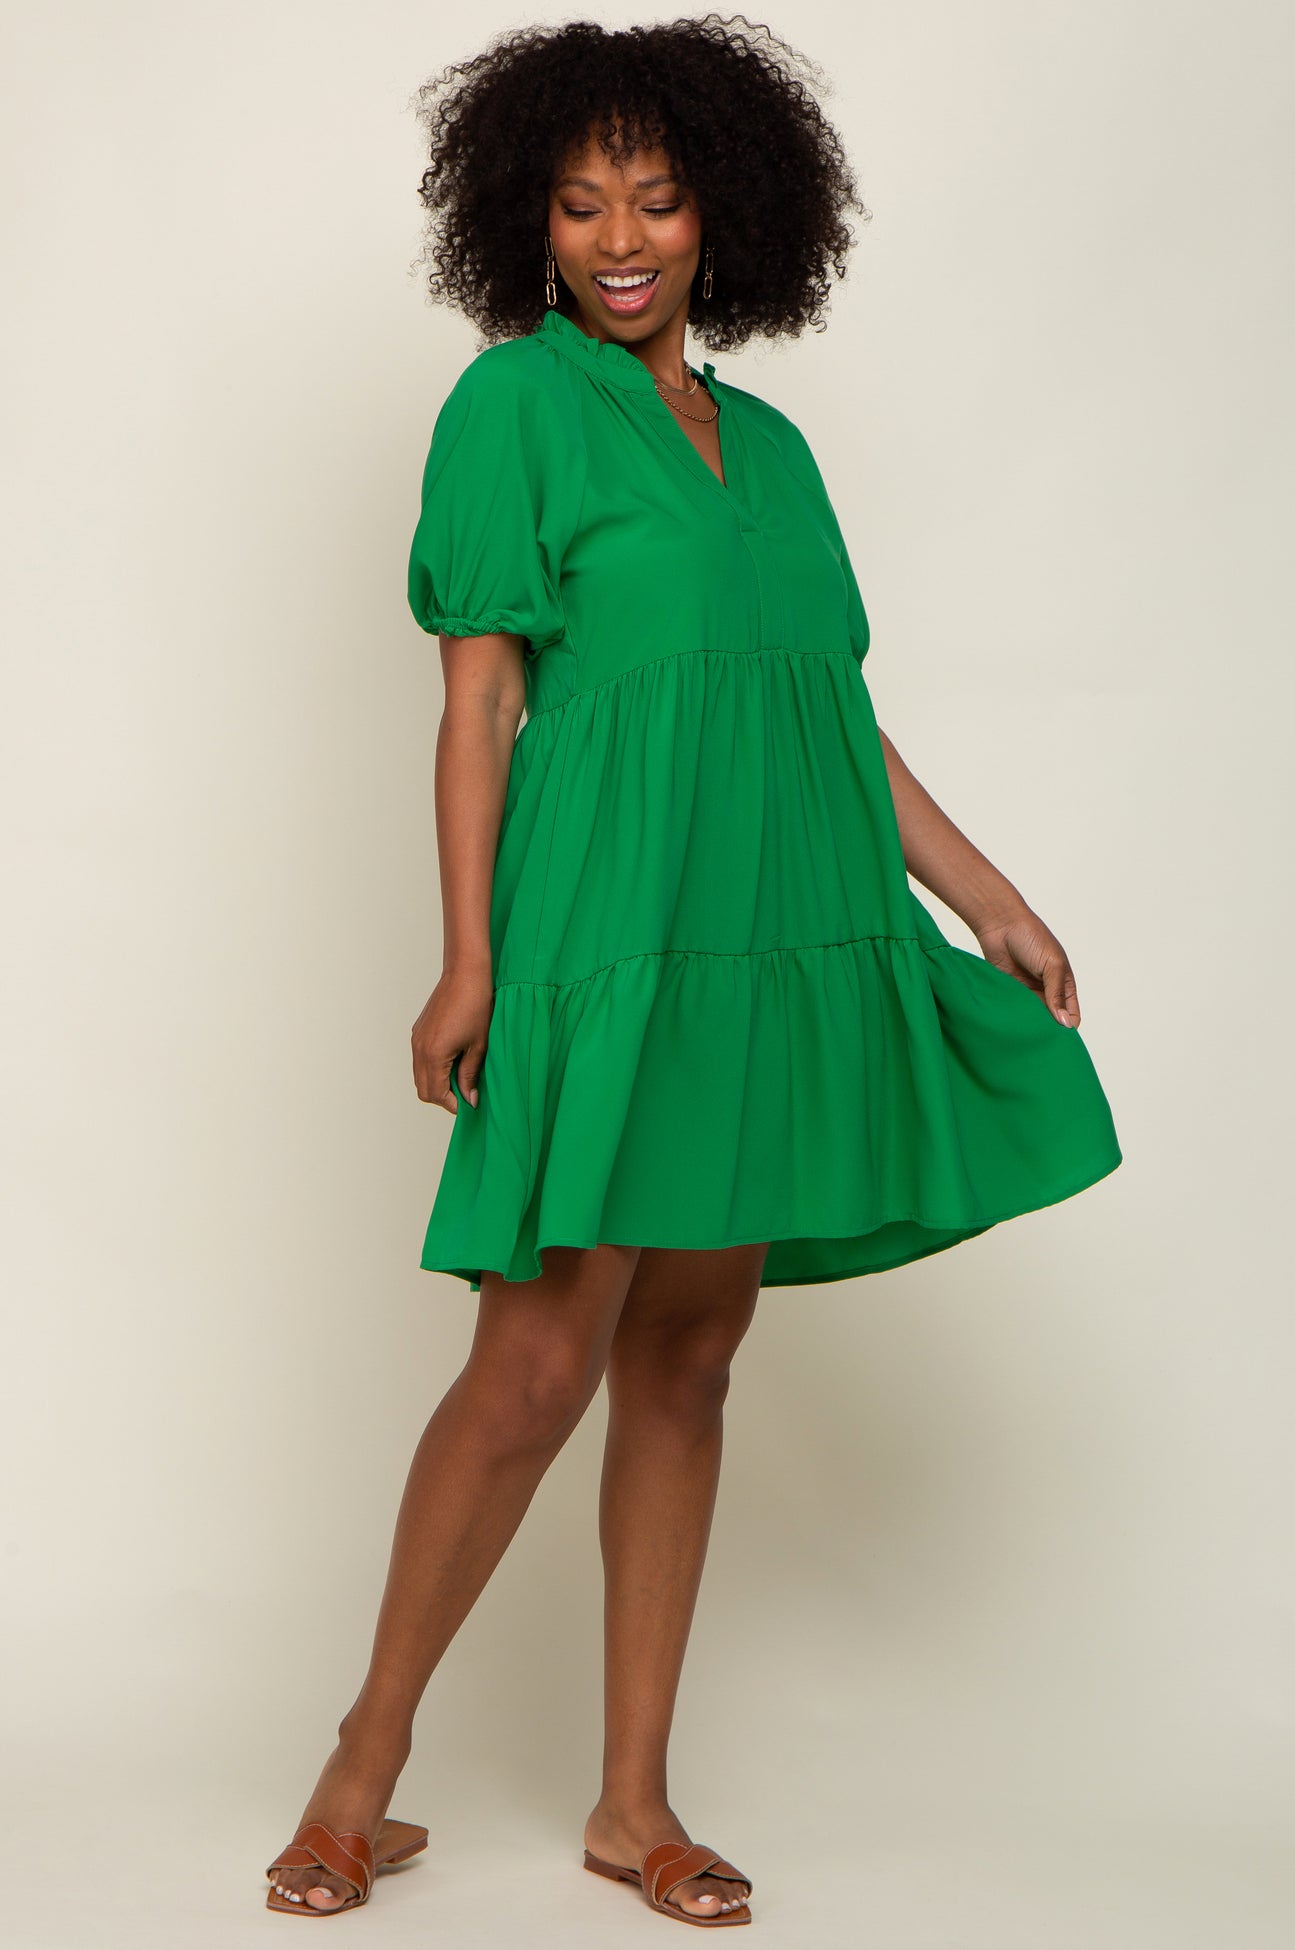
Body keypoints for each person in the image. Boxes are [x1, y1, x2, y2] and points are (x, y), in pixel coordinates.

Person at [264, 14, 1123, 1926]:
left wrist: (987, 896)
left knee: (693, 1353)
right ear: (529, 221)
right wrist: (470, 959)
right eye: (581, 204)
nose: (620, 238)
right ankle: (360, 1769)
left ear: (724, 210)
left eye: (654, 198)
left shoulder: (781, 454)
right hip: (607, 936)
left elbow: (822, 714)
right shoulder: (514, 407)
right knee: (532, 1362)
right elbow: (479, 701)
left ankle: (632, 1802)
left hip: (767, 934)